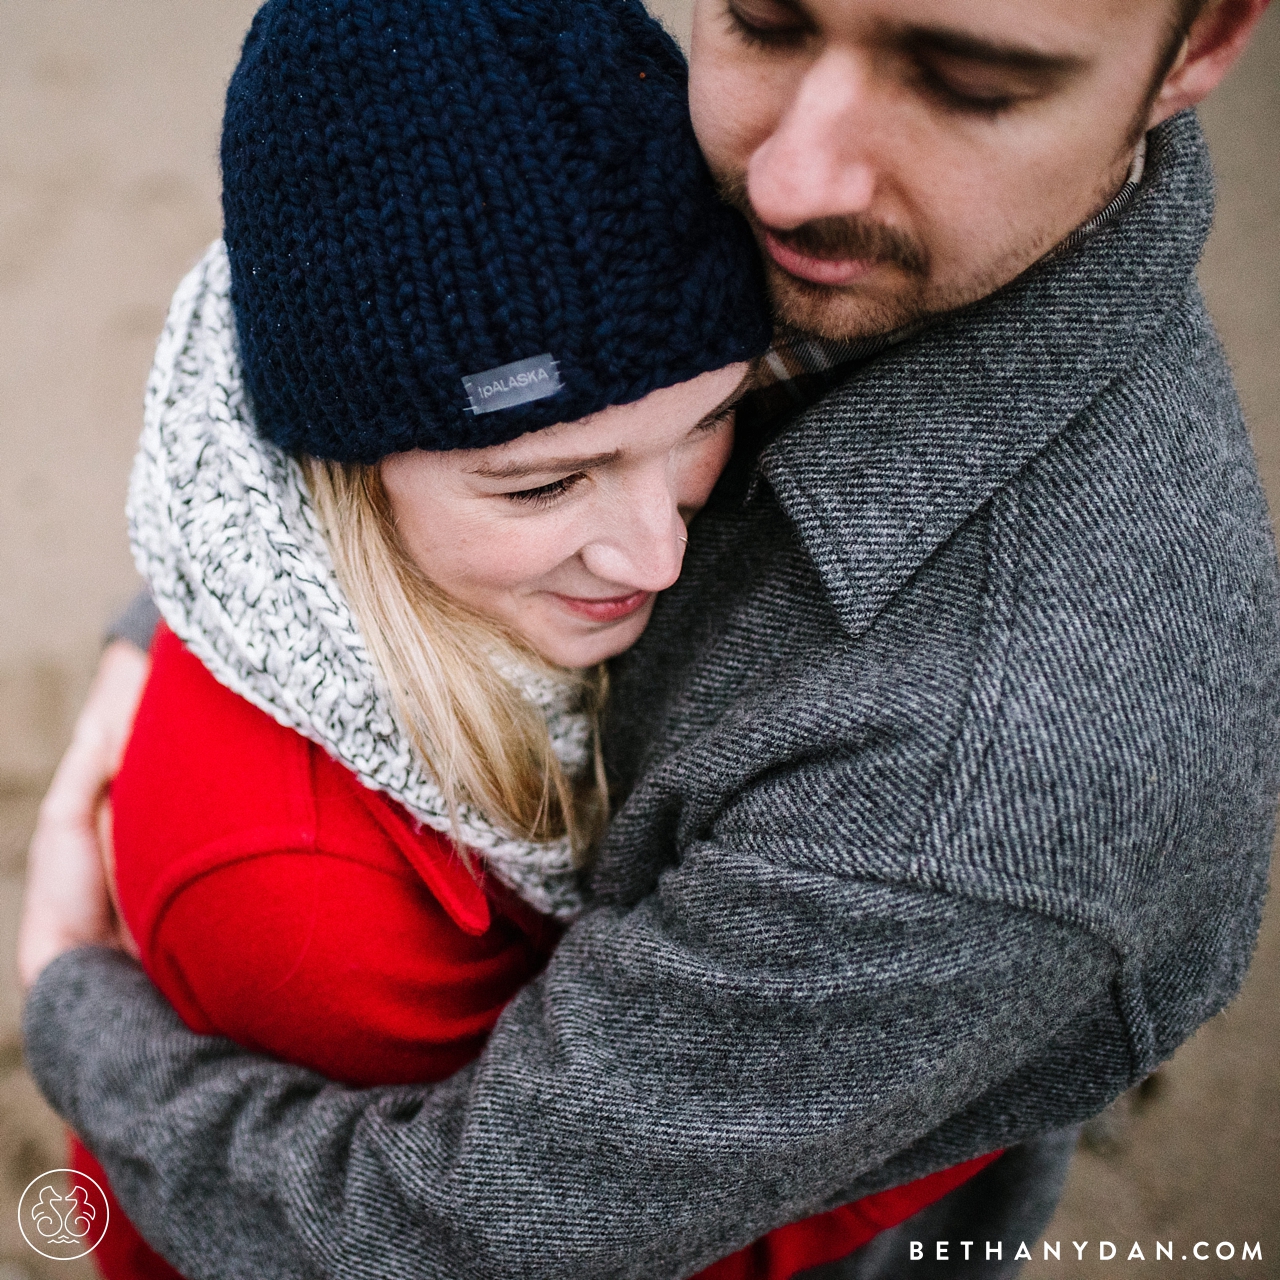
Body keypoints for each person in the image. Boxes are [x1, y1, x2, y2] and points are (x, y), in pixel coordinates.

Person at [19, 0, 1279, 1276]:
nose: (784, 180)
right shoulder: (305, 896)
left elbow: (494, 1231)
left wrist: (74, 1006)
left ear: (1201, 44)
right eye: (758, 19)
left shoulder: (970, 793)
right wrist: (191, 603)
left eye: (965, 81)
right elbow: (353, 284)